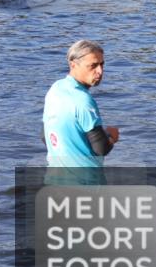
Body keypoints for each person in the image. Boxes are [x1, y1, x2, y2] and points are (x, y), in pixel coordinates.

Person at [43, 40, 119, 171]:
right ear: (73, 65)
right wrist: (112, 136)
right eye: (93, 66)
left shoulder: (55, 89)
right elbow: (101, 148)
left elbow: (45, 136)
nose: (100, 71)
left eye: (102, 64)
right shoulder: (83, 100)